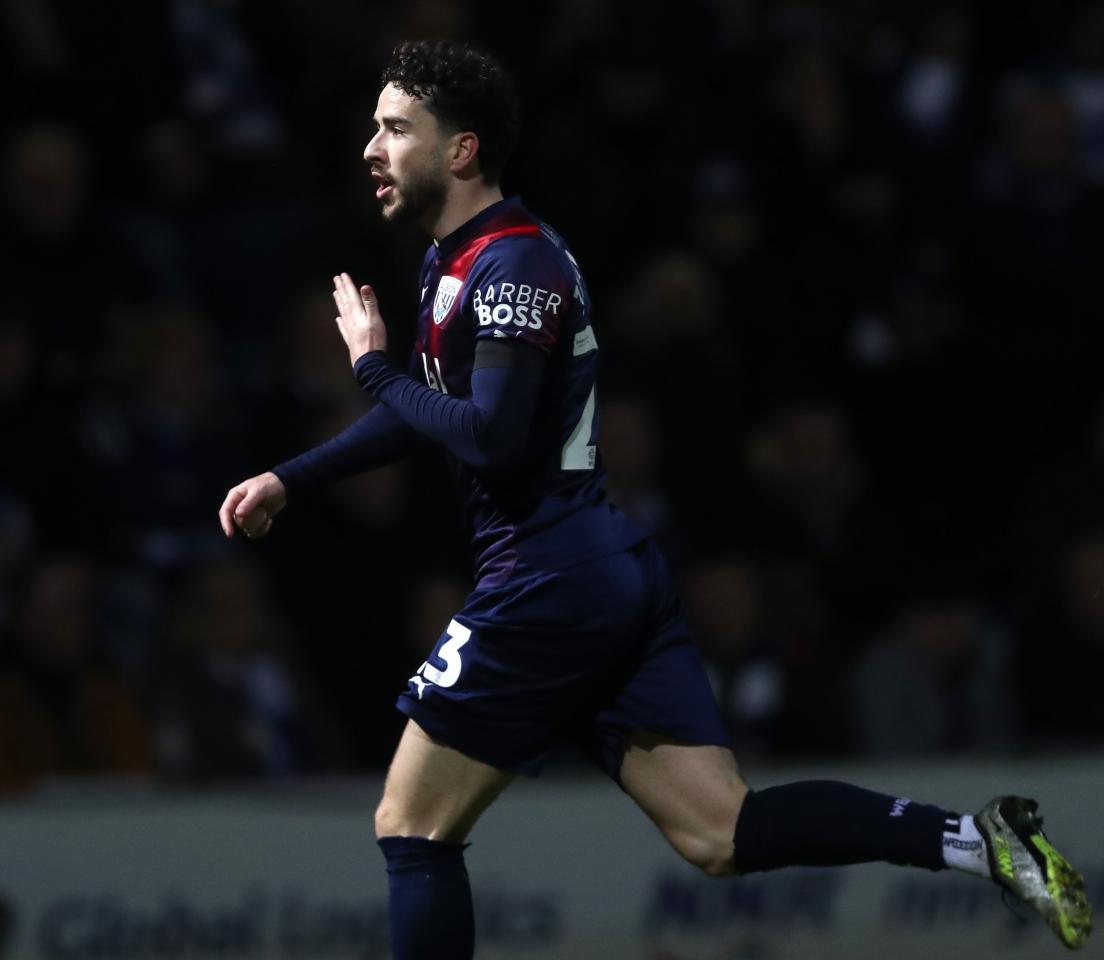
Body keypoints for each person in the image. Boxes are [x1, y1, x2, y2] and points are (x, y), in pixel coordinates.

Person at [218, 41, 1091, 958]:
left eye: (395, 128)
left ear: (462, 149)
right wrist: (291, 478)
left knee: (411, 826)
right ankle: (975, 840)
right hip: (599, 572)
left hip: (545, 579)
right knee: (723, 834)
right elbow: (435, 416)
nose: (371, 146)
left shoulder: (514, 269)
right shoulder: (456, 261)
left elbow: (490, 435)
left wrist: (368, 365)